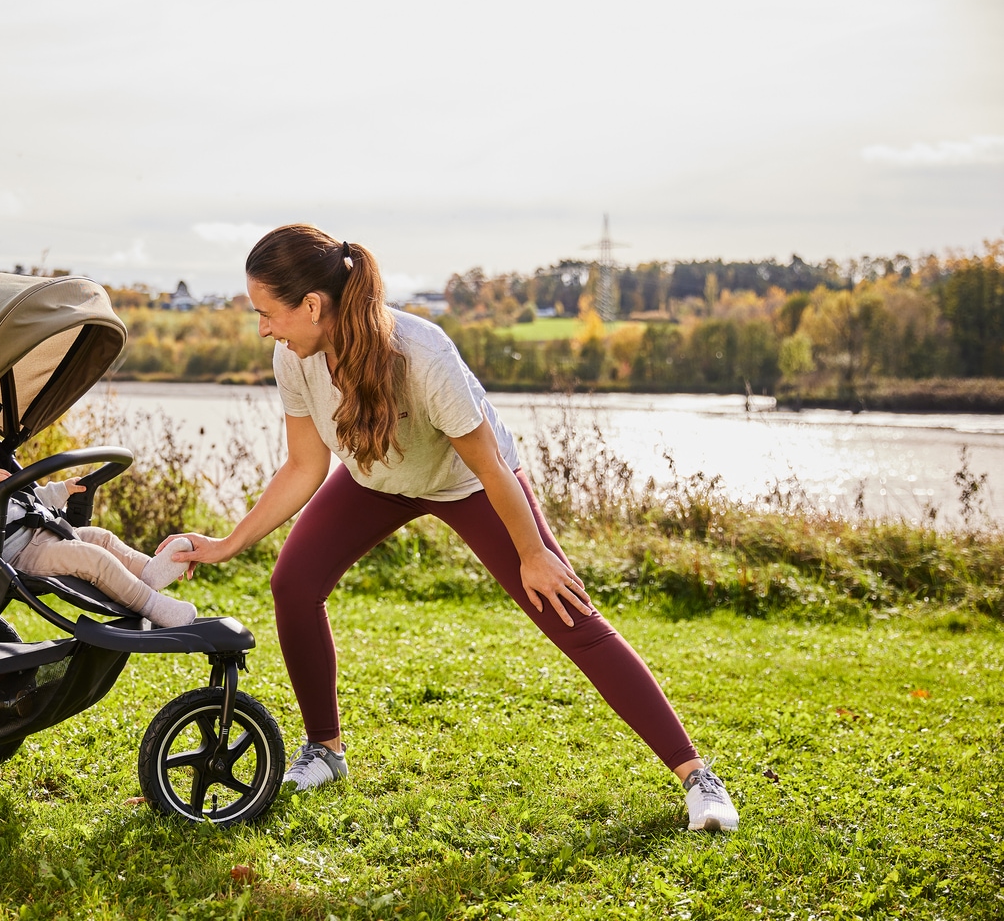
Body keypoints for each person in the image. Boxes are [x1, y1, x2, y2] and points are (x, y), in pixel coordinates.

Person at [162, 224, 738, 831]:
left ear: (312, 305)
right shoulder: (295, 358)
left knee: (569, 613)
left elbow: (490, 466)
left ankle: (697, 775)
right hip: (376, 480)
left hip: (467, 483)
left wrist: (533, 552)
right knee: (293, 583)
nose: (263, 329)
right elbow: (306, 465)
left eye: (267, 313)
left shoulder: (423, 354)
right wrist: (230, 543)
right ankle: (324, 751)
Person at [0, 412, 199, 628]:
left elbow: (28, 499)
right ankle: (151, 604)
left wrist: (61, 490)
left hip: (43, 532)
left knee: (101, 537)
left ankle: (148, 572)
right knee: (92, 559)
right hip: (15, 554)